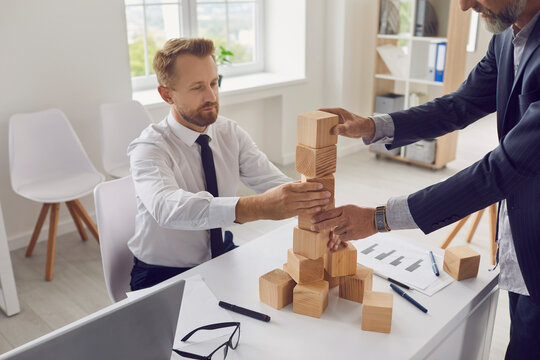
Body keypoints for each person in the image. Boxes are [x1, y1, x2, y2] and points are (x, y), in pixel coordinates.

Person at [311, 0, 540, 358]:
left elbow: (501, 170)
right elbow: (460, 104)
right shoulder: (508, 36)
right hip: (522, 242)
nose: (463, 6)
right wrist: (373, 126)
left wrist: (379, 218)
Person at [128, 38, 331, 291]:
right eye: (197, 87)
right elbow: (167, 208)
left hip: (220, 253)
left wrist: (326, 217)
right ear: (166, 94)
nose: (211, 96)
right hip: (161, 273)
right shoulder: (148, 148)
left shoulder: (228, 132)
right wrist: (254, 208)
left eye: (214, 83)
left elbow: (273, 183)